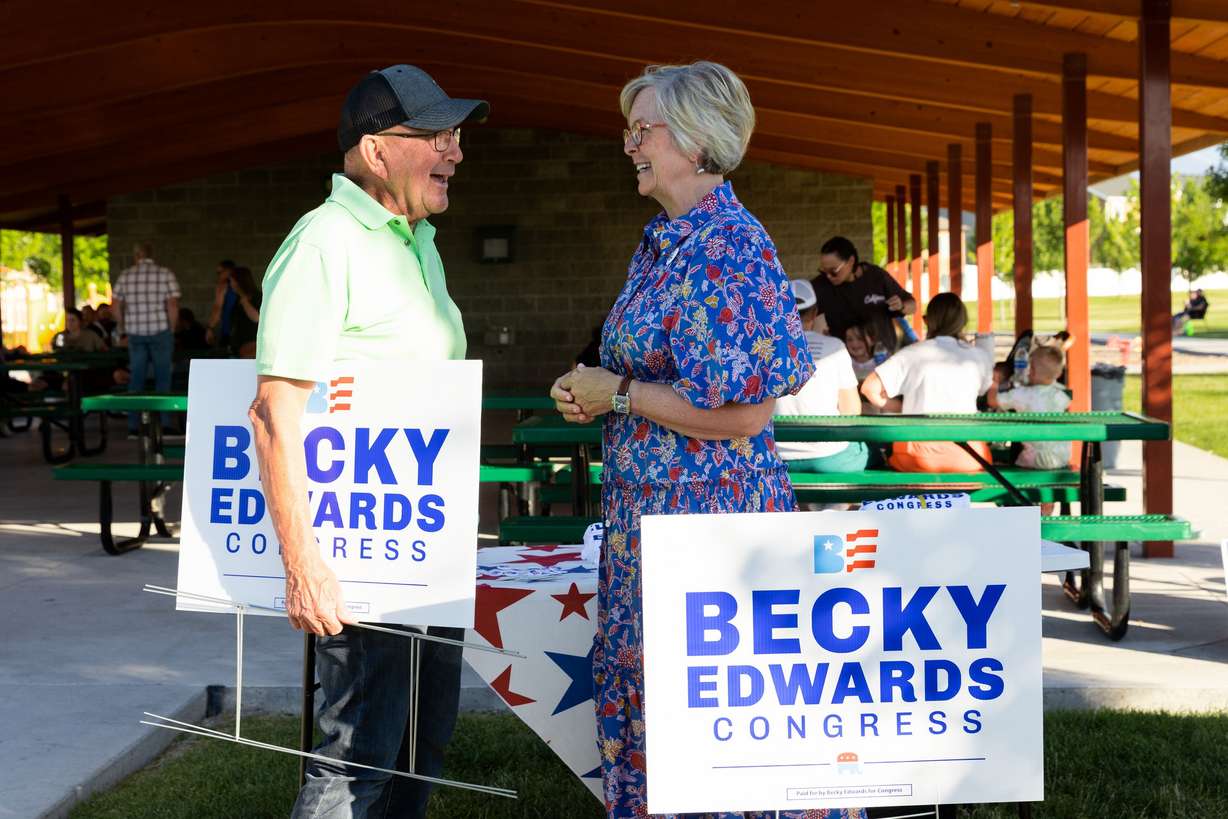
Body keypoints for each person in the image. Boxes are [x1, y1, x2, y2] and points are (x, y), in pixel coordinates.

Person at [550, 62, 861, 819]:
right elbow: (663, 376)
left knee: (708, 728)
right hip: (651, 519)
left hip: (707, 524)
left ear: (695, 142)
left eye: (643, 128)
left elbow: (746, 414)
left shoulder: (726, 246)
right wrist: (598, 389)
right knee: (659, 709)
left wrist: (618, 392)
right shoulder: (666, 241)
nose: (629, 143)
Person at [248, 64, 486, 819]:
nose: (455, 152)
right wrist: (304, 564)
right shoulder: (324, 242)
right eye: (437, 136)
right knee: (356, 762)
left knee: (420, 749)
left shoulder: (418, 239)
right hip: (360, 560)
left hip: (426, 551)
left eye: (457, 136)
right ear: (377, 151)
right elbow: (273, 413)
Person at [862, 292, 993, 473]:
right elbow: (986, 391)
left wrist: (902, 407)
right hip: (968, 456)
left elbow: (869, 388)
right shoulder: (979, 356)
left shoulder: (912, 353)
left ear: (927, 321)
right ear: (962, 322)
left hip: (918, 456)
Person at [775, 279, 873, 472]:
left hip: (777, 456)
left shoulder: (764, 348)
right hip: (831, 457)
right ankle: (833, 504)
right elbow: (851, 411)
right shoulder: (834, 347)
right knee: (872, 452)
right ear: (814, 312)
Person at [113, 242, 180, 435]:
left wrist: (122, 327)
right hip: (160, 331)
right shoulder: (165, 274)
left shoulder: (125, 276)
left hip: (135, 333)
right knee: (163, 378)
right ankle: (165, 424)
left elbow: (115, 305)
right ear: (152, 255)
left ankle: (134, 427)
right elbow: (173, 304)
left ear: (136, 256)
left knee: (136, 378)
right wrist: (172, 329)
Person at [813, 235, 915, 348]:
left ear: (851, 261)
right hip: (844, 357)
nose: (828, 276)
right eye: (823, 272)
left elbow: (912, 305)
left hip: (882, 355)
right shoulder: (821, 285)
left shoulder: (876, 276)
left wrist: (901, 306)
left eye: (833, 271)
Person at [224, 266, 262, 358]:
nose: (231, 284)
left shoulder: (257, 297)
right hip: (239, 347)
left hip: (252, 347)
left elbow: (256, 318)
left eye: (232, 281)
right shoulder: (237, 300)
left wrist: (244, 300)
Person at [206, 260, 239, 348]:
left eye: (220, 272)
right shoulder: (242, 286)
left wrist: (210, 328)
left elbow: (217, 308)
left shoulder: (224, 286)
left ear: (229, 271)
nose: (218, 276)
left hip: (229, 330)